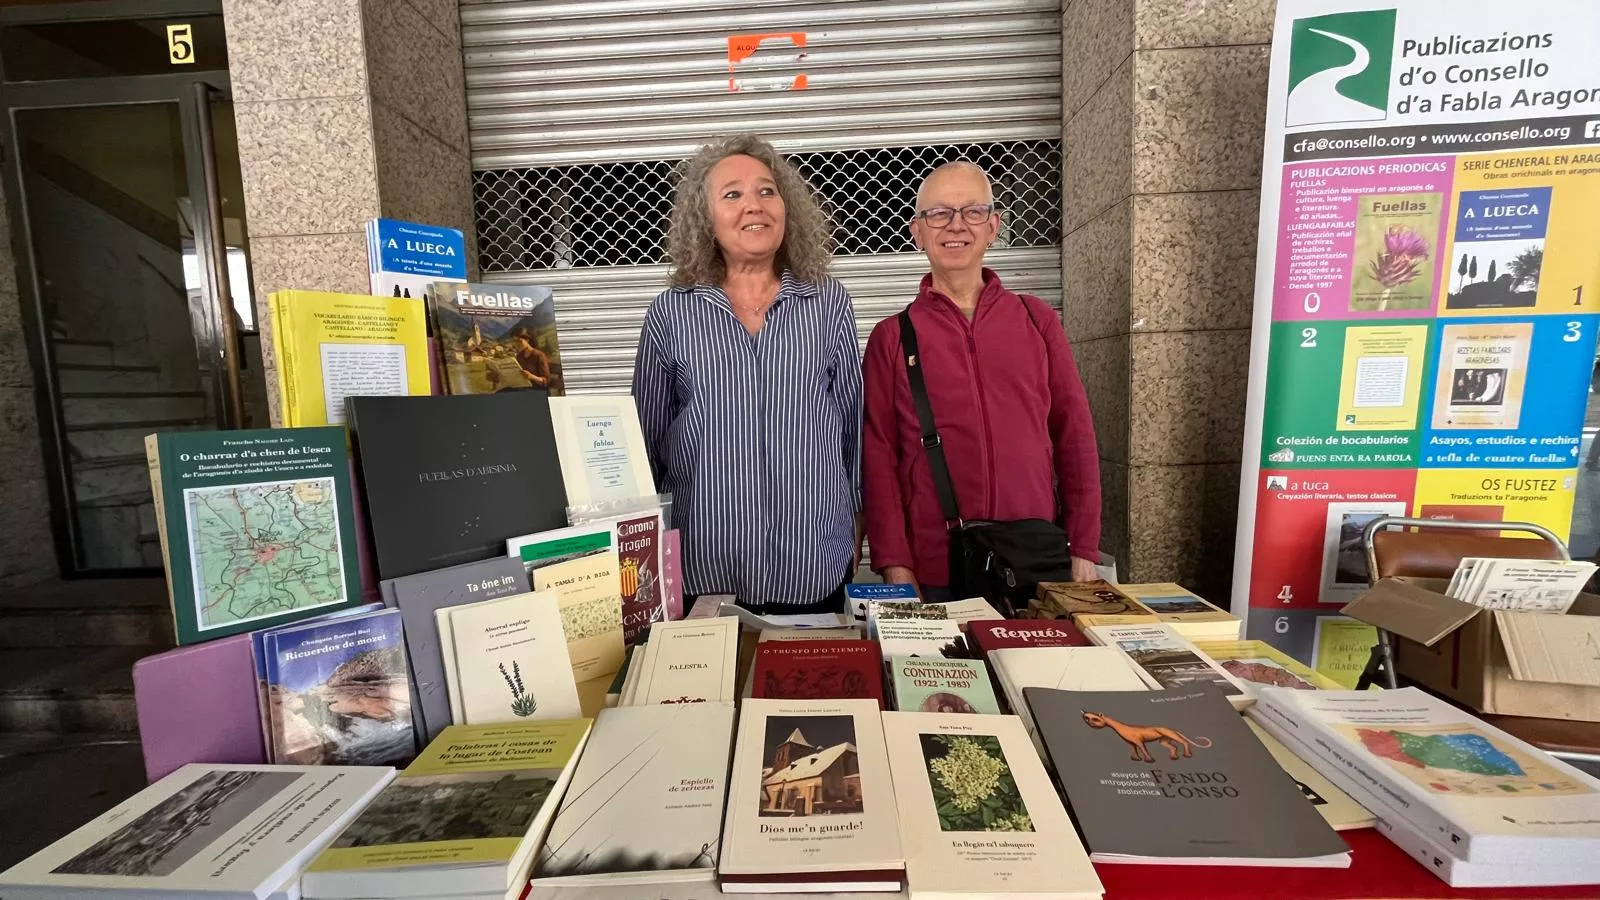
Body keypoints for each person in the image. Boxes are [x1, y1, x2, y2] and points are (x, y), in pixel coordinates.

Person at [632, 134, 863, 613]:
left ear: (786, 207)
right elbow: (645, 443)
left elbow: (852, 425)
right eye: (732, 194)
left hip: (812, 563)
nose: (753, 205)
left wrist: (858, 527)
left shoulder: (828, 301)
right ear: (705, 218)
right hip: (704, 570)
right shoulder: (671, 313)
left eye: (766, 191)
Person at [862, 161, 1101, 600]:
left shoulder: (1036, 320)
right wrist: (895, 562)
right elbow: (879, 458)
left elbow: (1075, 436)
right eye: (939, 213)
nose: (956, 225)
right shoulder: (892, 337)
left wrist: (1083, 547)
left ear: (993, 226)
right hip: (936, 566)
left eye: (972, 211)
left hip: (1035, 556)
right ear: (917, 232)